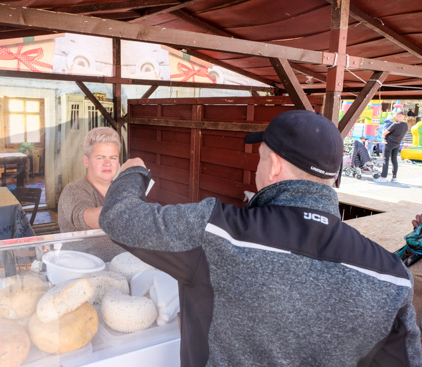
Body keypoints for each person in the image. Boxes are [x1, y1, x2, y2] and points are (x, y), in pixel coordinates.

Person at [99, 110, 422, 366]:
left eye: (262, 157)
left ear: (276, 166)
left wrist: (133, 173)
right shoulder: (392, 275)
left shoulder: (217, 231)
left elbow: (119, 218)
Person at [57, 127, 125, 261]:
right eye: (100, 158)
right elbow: (86, 217)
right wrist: (132, 208)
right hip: (81, 271)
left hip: (120, 269)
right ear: (86, 161)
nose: (107, 164)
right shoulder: (74, 190)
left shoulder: (121, 190)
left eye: (113, 157)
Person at [375, 111, 409, 183]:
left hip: (388, 144)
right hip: (397, 144)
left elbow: (385, 133)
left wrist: (384, 138)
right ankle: (394, 177)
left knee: (385, 160)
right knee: (394, 161)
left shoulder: (395, 125)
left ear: (400, 116)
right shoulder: (406, 125)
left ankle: (383, 177)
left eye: (395, 116)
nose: (394, 118)